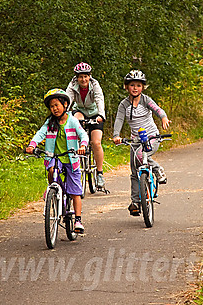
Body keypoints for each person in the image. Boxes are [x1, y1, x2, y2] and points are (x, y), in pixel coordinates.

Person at [25, 89, 89, 233]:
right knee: (52, 170)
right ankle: (53, 189)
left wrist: (83, 145)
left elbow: (83, 134)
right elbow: (40, 133)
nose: (54, 108)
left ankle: (78, 220)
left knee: (75, 192)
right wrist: (32, 145)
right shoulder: (50, 122)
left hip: (71, 158)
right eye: (52, 106)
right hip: (54, 157)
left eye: (57, 105)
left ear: (65, 104)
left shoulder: (72, 120)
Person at [111, 70, 171, 216]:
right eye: (132, 85)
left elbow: (157, 109)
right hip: (135, 140)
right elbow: (119, 120)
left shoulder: (146, 100)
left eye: (138, 85)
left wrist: (163, 118)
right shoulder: (124, 104)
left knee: (140, 157)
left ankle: (157, 169)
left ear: (143, 87)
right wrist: (116, 135)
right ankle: (136, 202)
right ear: (127, 87)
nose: (135, 88)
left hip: (151, 137)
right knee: (134, 170)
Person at [65, 62, 107, 189]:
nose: (83, 79)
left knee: (96, 143)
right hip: (80, 111)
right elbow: (67, 99)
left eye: (86, 76)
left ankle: (99, 173)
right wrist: (64, 113)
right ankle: (76, 161)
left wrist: (101, 115)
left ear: (90, 76)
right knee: (76, 120)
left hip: (95, 114)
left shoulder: (95, 85)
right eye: (81, 77)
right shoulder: (72, 85)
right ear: (77, 78)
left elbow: (99, 99)